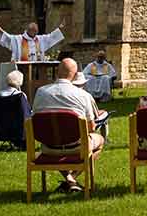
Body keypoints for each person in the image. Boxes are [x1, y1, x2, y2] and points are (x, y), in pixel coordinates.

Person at [32, 58, 105, 193]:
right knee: (100, 140)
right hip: (76, 147)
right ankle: (72, 177)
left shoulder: (41, 92)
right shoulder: (82, 95)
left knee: (56, 136)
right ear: (75, 74)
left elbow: (35, 119)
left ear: (57, 72)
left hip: (49, 147)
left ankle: (69, 180)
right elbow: (91, 128)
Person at [0, 20, 66, 63]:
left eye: (36, 32)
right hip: (22, 68)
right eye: (33, 31)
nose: (35, 33)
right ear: (28, 30)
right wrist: (0, 29)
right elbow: (8, 37)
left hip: (36, 68)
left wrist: (60, 28)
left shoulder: (40, 39)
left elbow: (51, 36)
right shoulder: (19, 39)